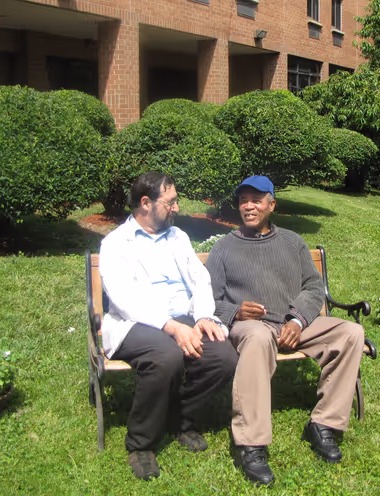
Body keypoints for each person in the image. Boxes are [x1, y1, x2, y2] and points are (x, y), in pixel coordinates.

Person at [206, 175, 365, 486]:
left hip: (293, 324)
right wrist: (235, 311)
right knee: (256, 337)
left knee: (351, 333)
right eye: (243, 200)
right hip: (253, 326)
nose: (248, 205)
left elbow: (313, 286)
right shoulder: (223, 248)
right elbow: (207, 300)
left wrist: (297, 320)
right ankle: (251, 444)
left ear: (271, 204)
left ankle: (323, 423)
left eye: (256, 199)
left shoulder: (292, 242)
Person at [99, 172, 238, 481]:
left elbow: (200, 280)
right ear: (146, 203)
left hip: (184, 316)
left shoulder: (178, 237)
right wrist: (170, 327)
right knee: (166, 357)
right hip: (138, 322)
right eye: (171, 201)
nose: (176, 208)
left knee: (224, 358)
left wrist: (203, 316)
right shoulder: (116, 244)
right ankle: (142, 444)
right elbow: (123, 300)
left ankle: (182, 419)